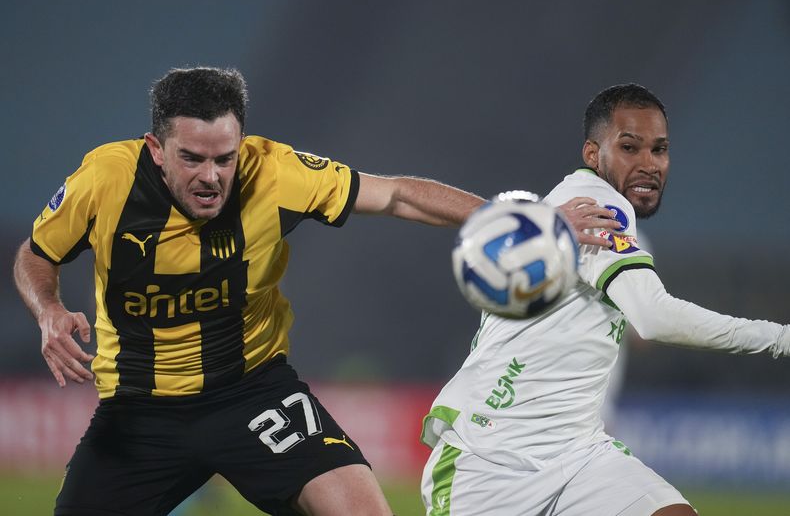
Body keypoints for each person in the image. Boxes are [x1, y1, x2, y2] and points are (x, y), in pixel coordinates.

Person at [12, 67, 620, 516]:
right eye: (192, 158)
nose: (211, 176)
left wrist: (528, 221)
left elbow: (397, 193)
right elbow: (37, 254)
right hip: (139, 409)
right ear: (155, 151)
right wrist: (48, 310)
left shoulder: (274, 173)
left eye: (224, 158)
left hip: (251, 393)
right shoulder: (104, 180)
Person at [420, 83, 790, 516]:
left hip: (579, 452)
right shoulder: (596, 205)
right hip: (492, 461)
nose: (649, 165)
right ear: (593, 155)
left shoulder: (583, 205)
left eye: (660, 149)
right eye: (630, 148)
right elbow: (653, 318)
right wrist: (780, 337)